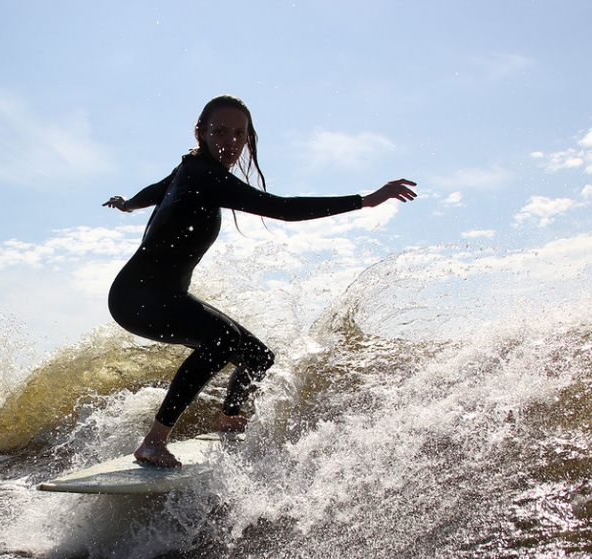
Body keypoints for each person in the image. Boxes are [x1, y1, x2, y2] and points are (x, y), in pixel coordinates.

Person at [104, 94, 417, 468]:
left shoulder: (188, 168)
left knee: (257, 357)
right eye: (219, 131)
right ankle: (154, 442)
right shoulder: (203, 174)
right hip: (136, 296)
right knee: (222, 340)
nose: (230, 142)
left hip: (162, 294)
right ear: (200, 132)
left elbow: (155, 191)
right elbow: (281, 209)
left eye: (240, 133)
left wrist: (128, 204)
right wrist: (364, 200)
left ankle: (229, 420)